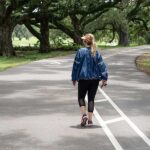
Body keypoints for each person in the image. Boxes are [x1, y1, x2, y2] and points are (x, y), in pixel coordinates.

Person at [71, 33, 108, 127]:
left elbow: (76, 65)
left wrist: (74, 77)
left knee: (81, 97)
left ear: (85, 41)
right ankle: (90, 121)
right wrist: (104, 78)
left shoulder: (80, 51)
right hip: (95, 79)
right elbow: (102, 66)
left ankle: (84, 115)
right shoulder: (96, 52)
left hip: (83, 78)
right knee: (91, 99)